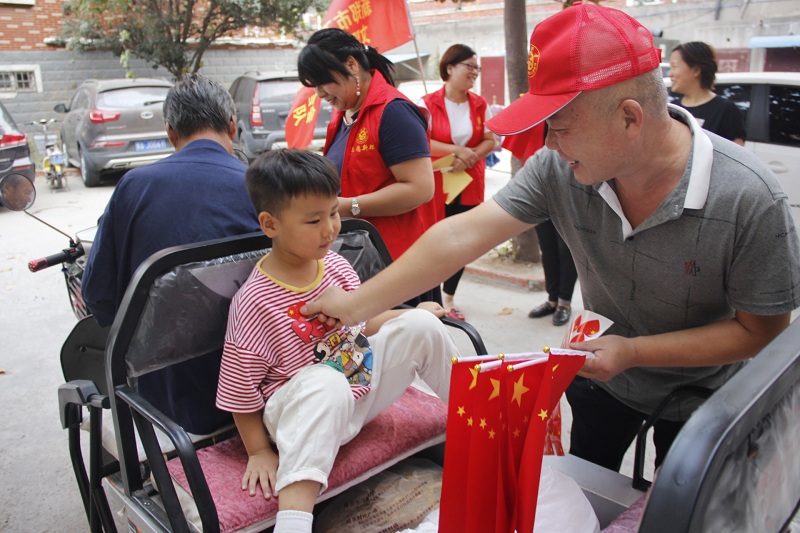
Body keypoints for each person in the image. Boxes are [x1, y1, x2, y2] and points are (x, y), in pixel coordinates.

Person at [303, 3, 800, 473]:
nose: (549, 146)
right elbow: (460, 236)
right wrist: (356, 304)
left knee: (678, 506)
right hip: (601, 379)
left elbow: (762, 331)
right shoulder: (559, 168)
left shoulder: (747, 198)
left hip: (704, 397)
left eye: (560, 128)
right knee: (585, 487)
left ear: (629, 117)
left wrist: (634, 352)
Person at [216, 149, 455, 533]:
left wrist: (413, 315)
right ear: (270, 223)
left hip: (356, 389)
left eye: (333, 213)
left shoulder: (337, 266)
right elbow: (239, 389)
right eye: (314, 220)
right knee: (326, 380)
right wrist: (259, 451)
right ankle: (293, 523)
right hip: (299, 414)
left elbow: (365, 322)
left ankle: (483, 423)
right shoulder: (255, 302)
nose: (330, 228)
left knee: (422, 327)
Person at [81, 73, 260, 435]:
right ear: (232, 125)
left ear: (170, 133)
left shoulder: (134, 186)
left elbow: (98, 295)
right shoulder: (265, 185)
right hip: (259, 385)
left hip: (169, 402)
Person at [297, 28, 440, 305]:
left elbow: (420, 189)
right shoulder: (342, 118)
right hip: (359, 256)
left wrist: (347, 205)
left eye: (323, 81)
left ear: (351, 64)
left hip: (397, 262)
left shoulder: (393, 111)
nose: (319, 93)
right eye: (313, 85)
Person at [420, 44, 497, 321]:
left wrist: (471, 155)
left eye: (477, 67)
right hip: (438, 182)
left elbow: (491, 140)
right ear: (450, 67)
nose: (474, 72)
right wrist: (456, 151)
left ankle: (449, 297)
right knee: (434, 240)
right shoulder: (427, 104)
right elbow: (422, 141)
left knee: (463, 242)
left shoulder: (480, 104)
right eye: (469, 66)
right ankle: (430, 295)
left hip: (468, 181)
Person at [669, 41, 746, 145]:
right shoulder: (674, 110)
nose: (670, 74)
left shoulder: (725, 110)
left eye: (674, 67)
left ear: (696, 70)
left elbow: (737, 155)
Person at [528, 220, 578, 326]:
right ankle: (552, 300)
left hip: (569, 206)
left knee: (567, 250)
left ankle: (564, 303)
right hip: (544, 205)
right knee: (547, 248)